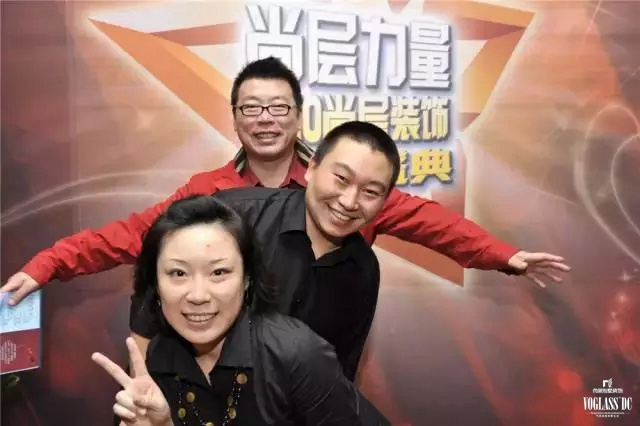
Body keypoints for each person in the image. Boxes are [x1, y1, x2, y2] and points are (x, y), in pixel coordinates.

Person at [1, 56, 569, 307]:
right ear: (235, 120)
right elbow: (131, 235)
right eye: (251, 108)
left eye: (278, 107)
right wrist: (45, 265)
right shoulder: (209, 190)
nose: (265, 119)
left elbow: (430, 222)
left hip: (322, 363)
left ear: (299, 118)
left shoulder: (339, 187)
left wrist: (504, 256)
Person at [131, 120, 402, 381]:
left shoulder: (363, 269)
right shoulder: (234, 216)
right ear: (312, 168)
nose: (349, 201)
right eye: (341, 179)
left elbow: (338, 371)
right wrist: (141, 390)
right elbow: (149, 311)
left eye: (370, 192)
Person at [92, 195, 390, 425]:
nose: (198, 295)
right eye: (178, 273)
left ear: (247, 279)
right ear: (155, 285)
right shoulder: (156, 360)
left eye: (219, 272)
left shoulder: (296, 353)